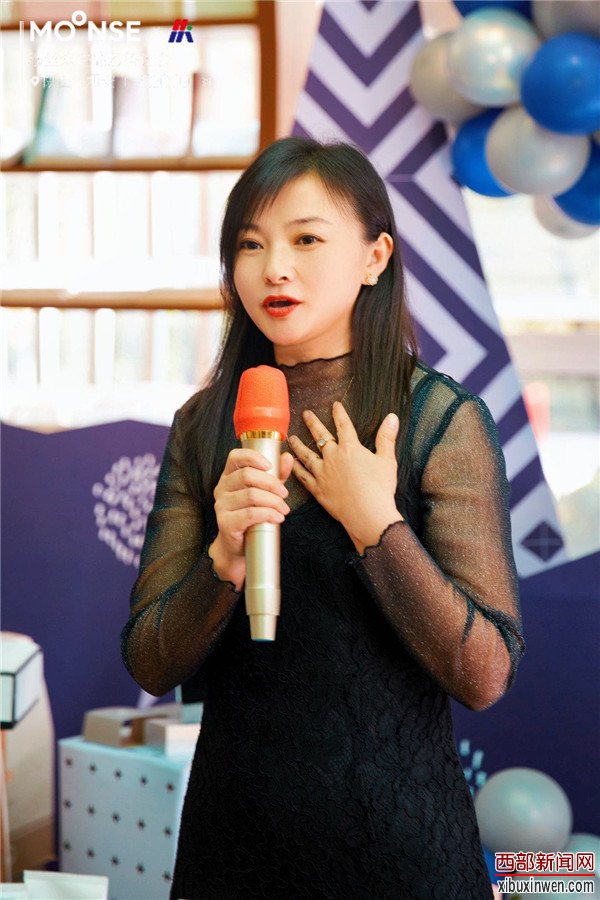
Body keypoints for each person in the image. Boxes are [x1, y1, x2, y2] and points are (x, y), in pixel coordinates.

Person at [120, 136, 526, 899]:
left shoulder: (439, 420)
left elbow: (484, 673)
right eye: (250, 244)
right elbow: (150, 660)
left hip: (398, 849)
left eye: (306, 239)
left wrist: (378, 526)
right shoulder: (204, 426)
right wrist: (222, 561)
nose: (274, 267)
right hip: (234, 844)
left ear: (375, 257)